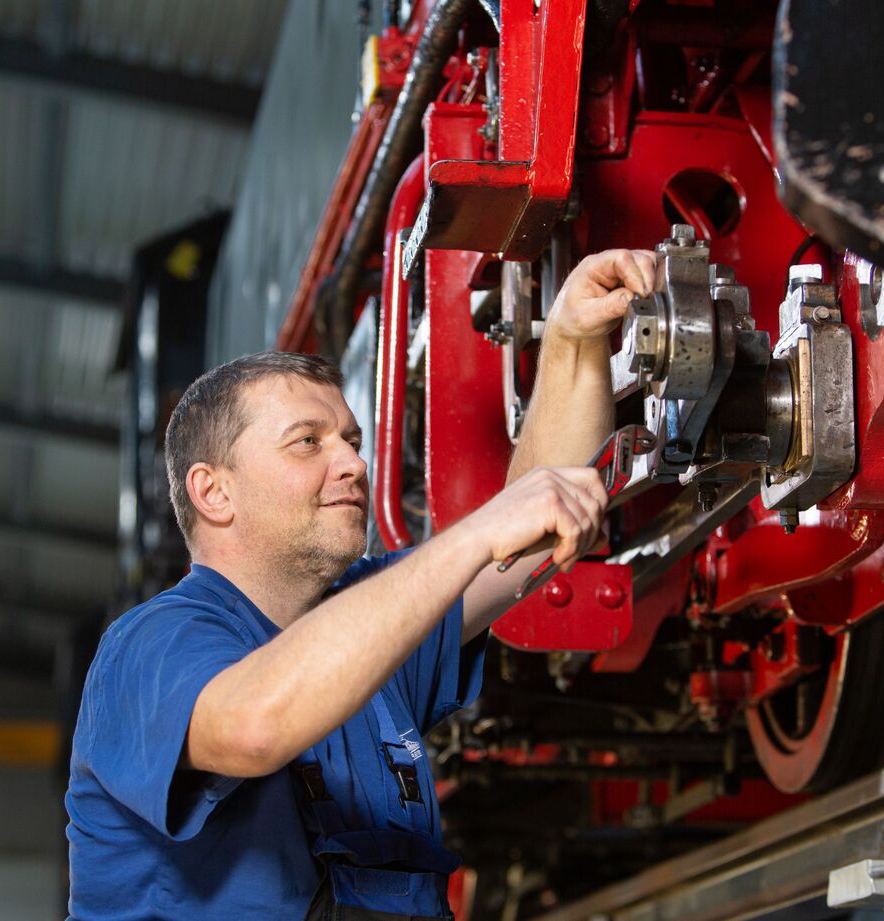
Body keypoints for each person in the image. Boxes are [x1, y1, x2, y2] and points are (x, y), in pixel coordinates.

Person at [65, 249, 656, 919]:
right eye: (308, 442)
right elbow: (254, 723)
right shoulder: (148, 646)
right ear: (214, 491)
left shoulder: (370, 618)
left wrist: (574, 342)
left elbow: (529, 540)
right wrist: (470, 534)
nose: (352, 461)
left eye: (350, 438)